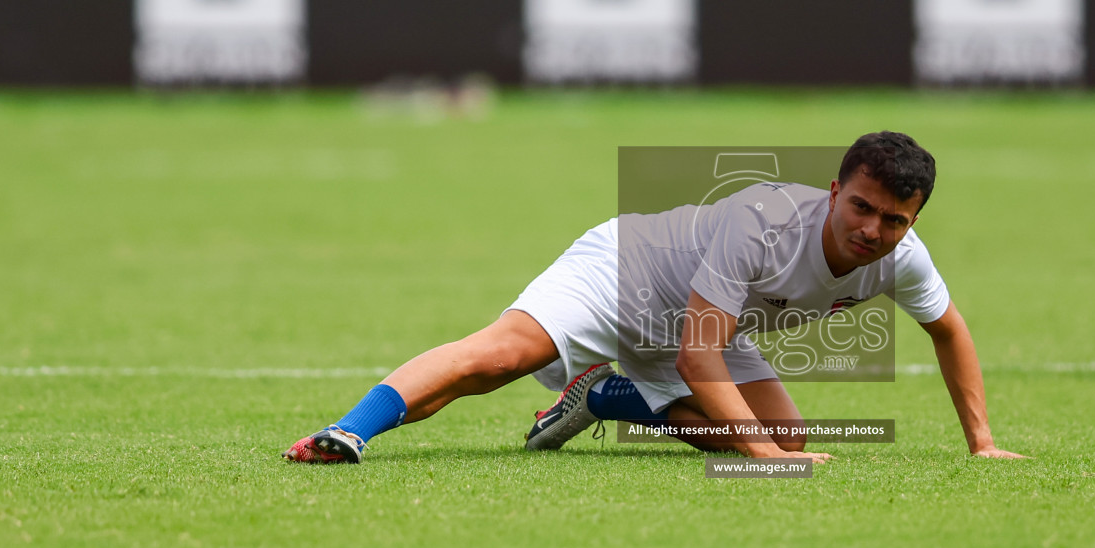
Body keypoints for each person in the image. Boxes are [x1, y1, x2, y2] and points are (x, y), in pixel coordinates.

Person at [283, 131, 1025, 465]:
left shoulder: (905, 258)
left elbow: (949, 331)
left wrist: (983, 445)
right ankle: (347, 433)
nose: (874, 230)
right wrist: (758, 456)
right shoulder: (762, 220)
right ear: (835, 191)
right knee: (500, 357)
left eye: (895, 219)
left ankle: (606, 398)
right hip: (627, 271)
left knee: (789, 442)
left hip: (702, 315)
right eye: (861, 207)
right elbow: (701, 356)